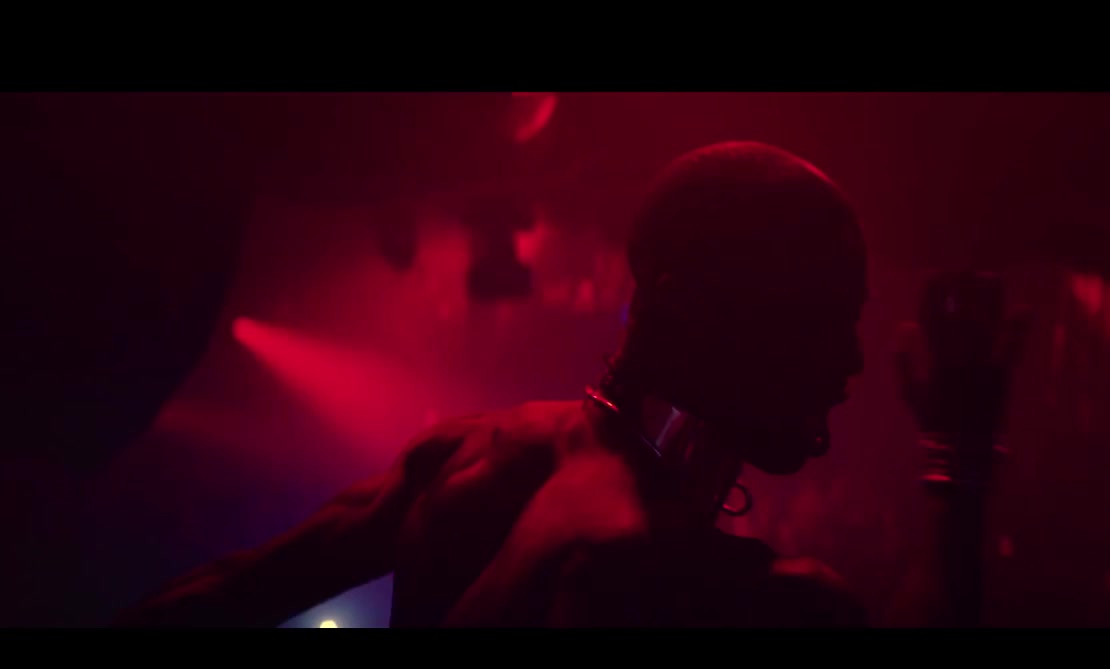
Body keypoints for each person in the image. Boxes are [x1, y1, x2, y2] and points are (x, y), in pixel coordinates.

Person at [114, 141, 1016, 627]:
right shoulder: (707, 587)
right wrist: (960, 455)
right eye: (819, 318)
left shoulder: (469, 460)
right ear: (695, 307)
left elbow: (221, 595)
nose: (850, 361)